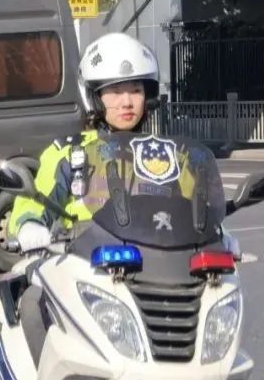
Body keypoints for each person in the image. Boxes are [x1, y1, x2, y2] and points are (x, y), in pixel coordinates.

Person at [8, 32, 161, 252]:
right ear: (94, 96)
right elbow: (38, 199)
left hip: (151, 263)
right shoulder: (71, 153)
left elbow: (190, 203)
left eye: (136, 91)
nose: (127, 102)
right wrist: (30, 224)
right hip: (83, 264)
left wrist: (217, 233)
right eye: (116, 91)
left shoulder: (161, 154)